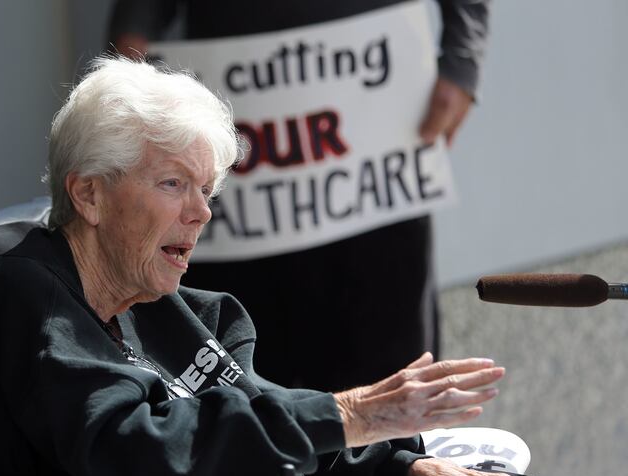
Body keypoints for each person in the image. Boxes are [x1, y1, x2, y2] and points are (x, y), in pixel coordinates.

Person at [0, 57, 626, 476]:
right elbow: (136, 448)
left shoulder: (184, 311)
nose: (200, 212)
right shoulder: (29, 296)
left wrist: (411, 462)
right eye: (173, 184)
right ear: (90, 195)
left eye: (206, 189)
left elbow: (265, 419)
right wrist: (347, 412)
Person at [108, 0, 487, 390]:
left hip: (375, 145)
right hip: (237, 166)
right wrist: (129, 55)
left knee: (389, 376)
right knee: (244, 378)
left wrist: (463, 57)